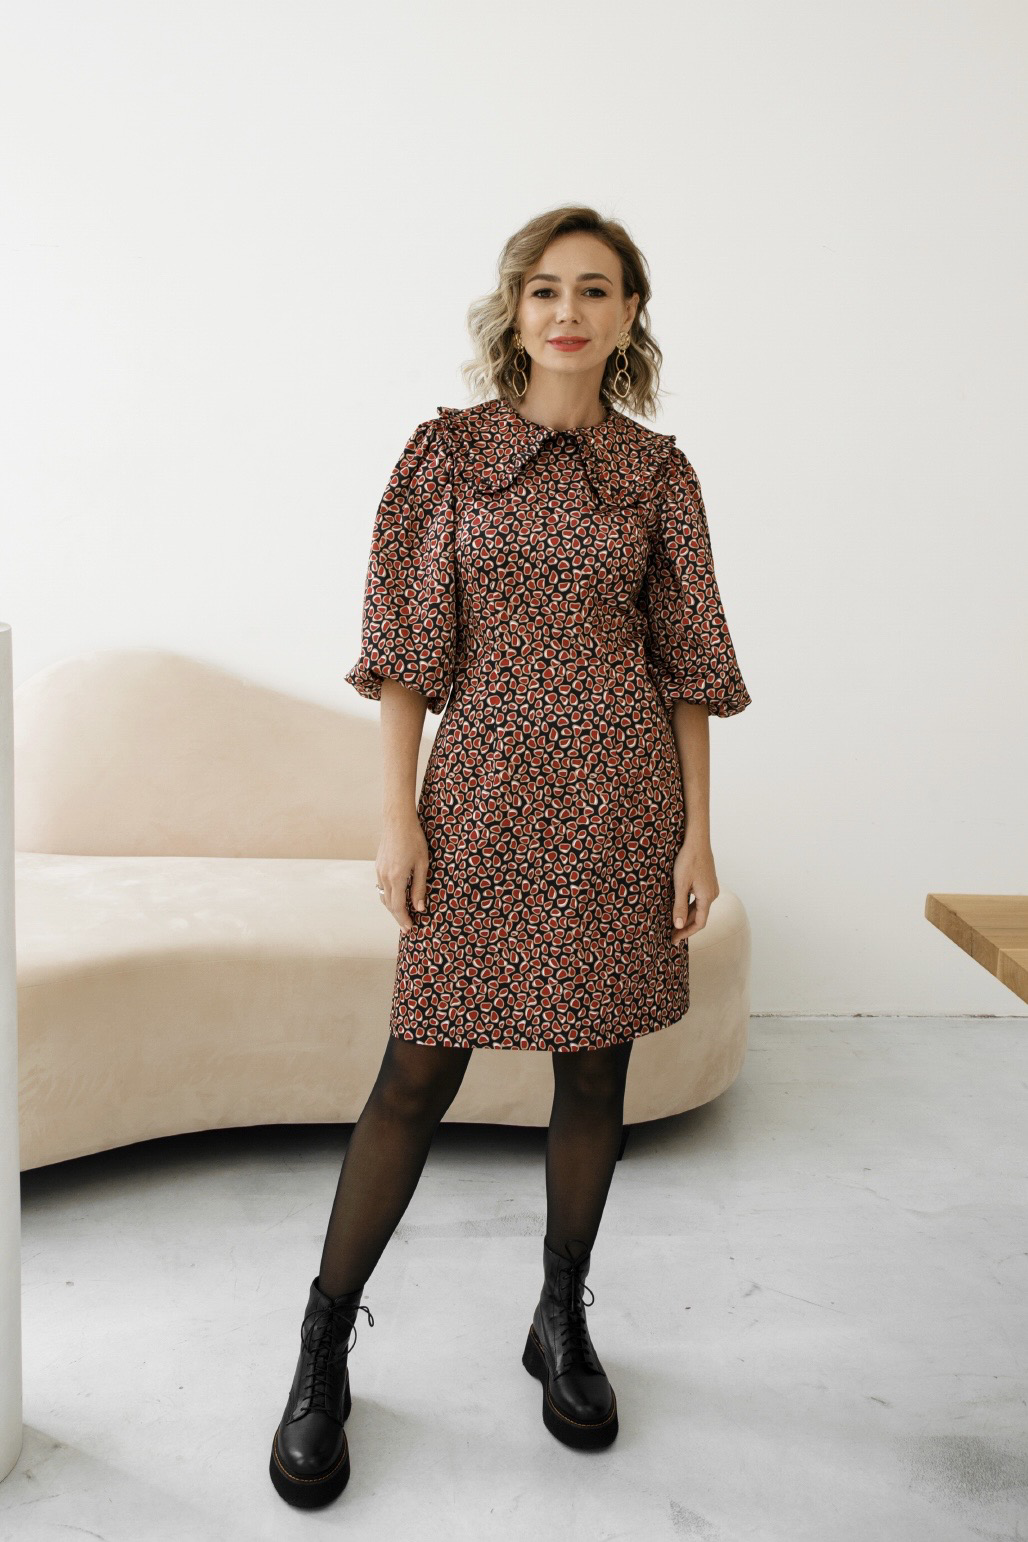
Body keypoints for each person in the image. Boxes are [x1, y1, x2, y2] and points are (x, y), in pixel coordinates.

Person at [269, 204, 752, 1508]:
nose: (568, 311)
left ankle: (558, 1318)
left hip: (621, 805)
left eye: (594, 289)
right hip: (478, 797)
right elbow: (403, 653)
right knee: (414, 1074)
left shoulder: (659, 476)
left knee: (595, 1074)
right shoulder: (448, 455)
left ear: (629, 315)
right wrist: (398, 815)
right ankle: (322, 1345)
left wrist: (698, 832)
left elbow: (689, 668)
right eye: (545, 288)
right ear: (516, 309)